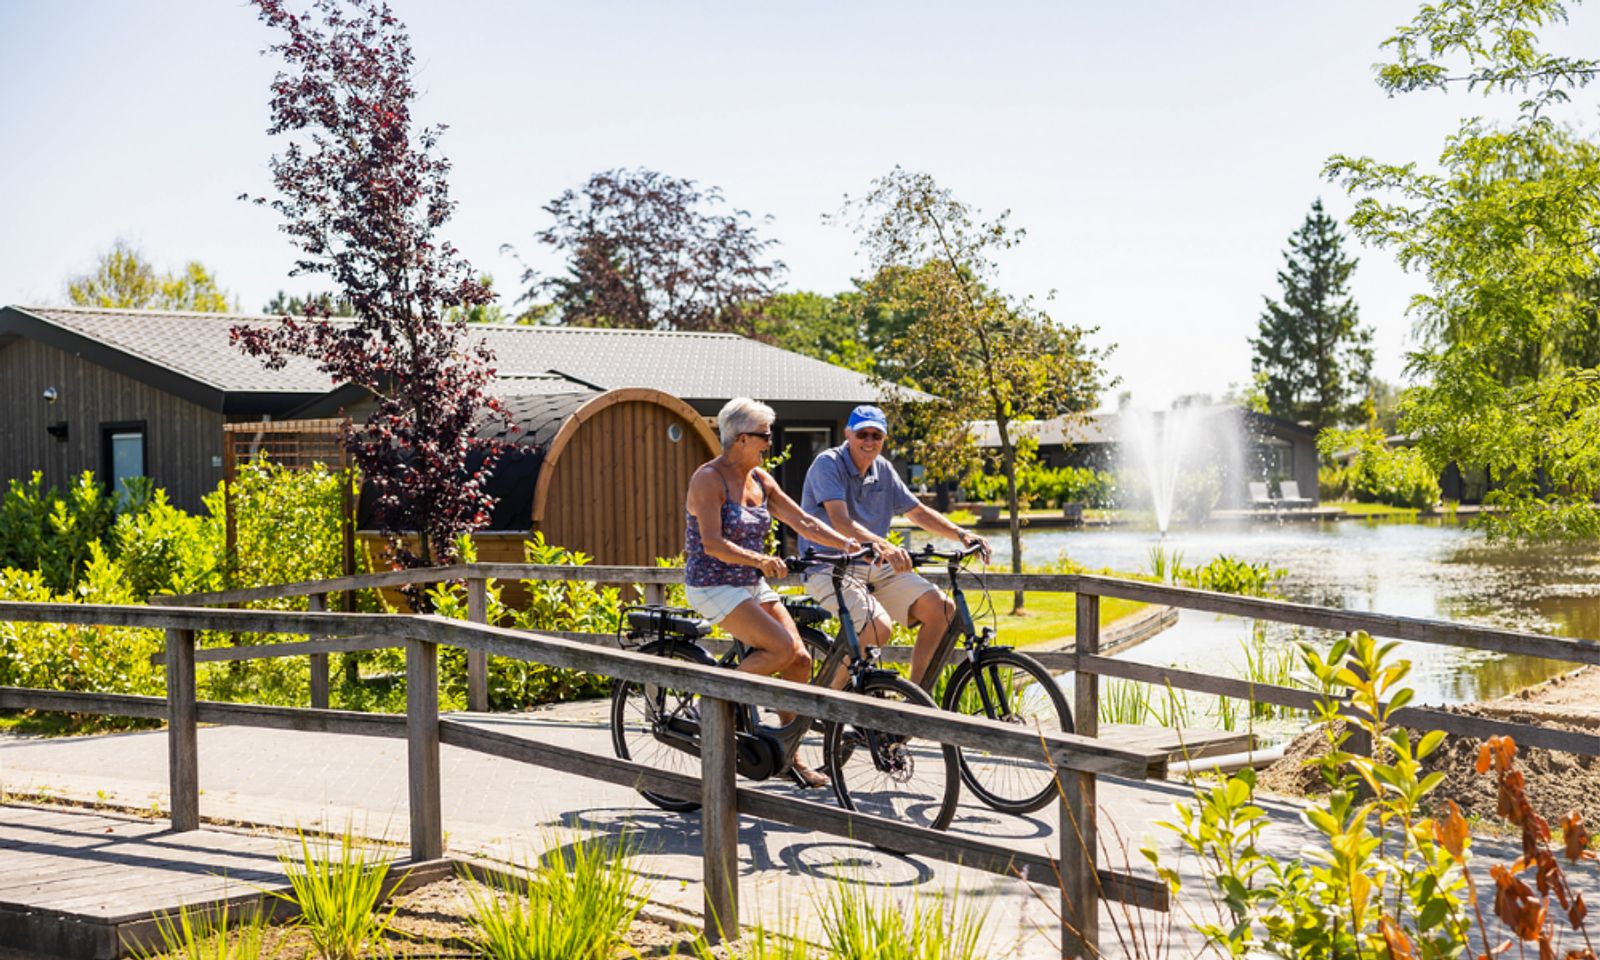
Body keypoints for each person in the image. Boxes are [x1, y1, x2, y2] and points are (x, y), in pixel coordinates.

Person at [684, 397, 863, 788]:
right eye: (764, 435)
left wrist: (845, 544)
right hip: (713, 583)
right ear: (741, 438)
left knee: (798, 660)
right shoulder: (708, 479)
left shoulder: (761, 480)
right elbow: (711, 543)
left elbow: (801, 519)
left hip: (748, 581)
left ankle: (788, 755)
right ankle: (709, 706)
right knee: (780, 649)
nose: (770, 442)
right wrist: (760, 559)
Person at [798, 404, 991, 687]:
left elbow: (918, 512)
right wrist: (886, 547)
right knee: (878, 625)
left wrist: (962, 535)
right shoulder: (828, 464)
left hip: (875, 565)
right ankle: (831, 699)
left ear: (884, 439)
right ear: (847, 433)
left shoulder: (883, 470)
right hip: (830, 566)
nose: (869, 441)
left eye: (877, 435)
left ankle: (913, 702)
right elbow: (841, 522)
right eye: (863, 433)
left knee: (944, 611)